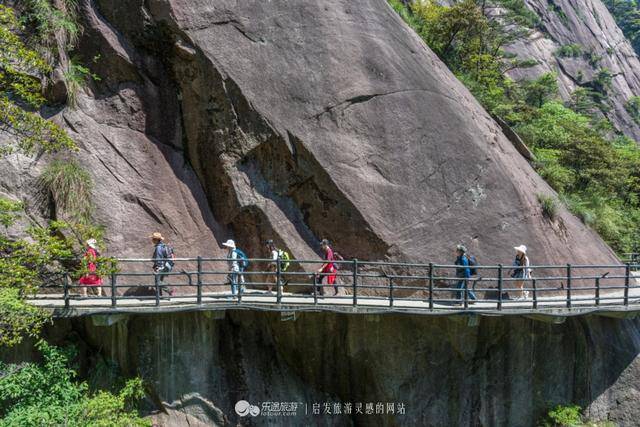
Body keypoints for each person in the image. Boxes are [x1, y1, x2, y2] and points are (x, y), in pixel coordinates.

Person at [150, 232, 174, 297]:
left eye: (153, 239)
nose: (152, 240)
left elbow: (158, 258)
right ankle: (159, 296)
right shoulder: (163, 246)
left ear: (156, 240)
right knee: (160, 280)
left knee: (157, 281)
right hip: (166, 266)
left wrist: (158, 267)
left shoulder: (158, 248)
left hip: (161, 267)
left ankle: (169, 290)